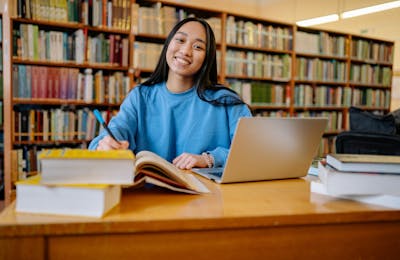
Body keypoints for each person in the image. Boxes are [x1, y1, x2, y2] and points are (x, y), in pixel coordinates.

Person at [89, 17, 252, 169]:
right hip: (150, 196)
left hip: (209, 197)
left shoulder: (227, 102)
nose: (186, 51)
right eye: (180, 40)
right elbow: (117, 130)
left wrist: (209, 159)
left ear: (207, 58)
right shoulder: (140, 97)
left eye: (198, 47)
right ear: (168, 45)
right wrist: (105, 145)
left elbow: (252, 153)